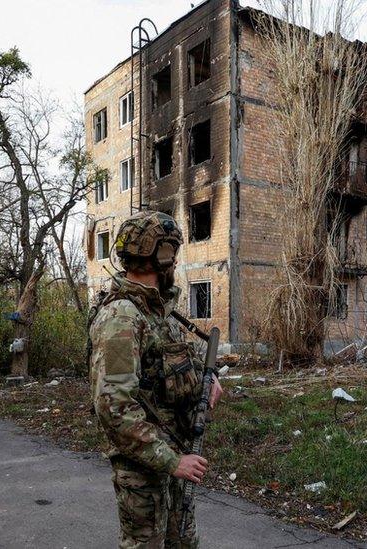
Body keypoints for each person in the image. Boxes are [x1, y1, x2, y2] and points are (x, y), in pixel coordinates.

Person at [88, 210, 223, 548]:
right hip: (145, 473)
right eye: (172, 251)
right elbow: (113, 407)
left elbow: (176, 366)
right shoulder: (122, 317)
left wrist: (208, 384)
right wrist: (172, 461)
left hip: (176, 462)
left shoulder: (159, 313)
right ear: (161, 255)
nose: (175, 260)